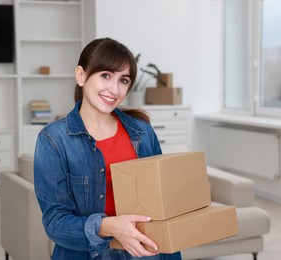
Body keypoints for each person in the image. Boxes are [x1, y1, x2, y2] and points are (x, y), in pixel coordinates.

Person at [34, 37, 182, 260]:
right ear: (81, 76)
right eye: (105, 75)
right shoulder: (53, 139)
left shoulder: (141, 131)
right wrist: (108, 226)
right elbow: (55, 223)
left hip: (145, 253)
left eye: (123, 80)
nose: (114, 89)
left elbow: (161, 204)